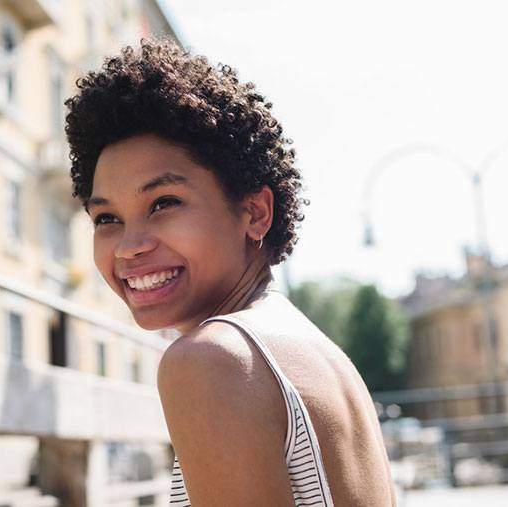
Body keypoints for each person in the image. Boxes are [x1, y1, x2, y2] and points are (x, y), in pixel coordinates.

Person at [65, 38, 396, 506]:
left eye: (164, 203)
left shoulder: (211, 360)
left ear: (256, 212)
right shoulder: (315, 350)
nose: (130, 246)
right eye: (107, 219)